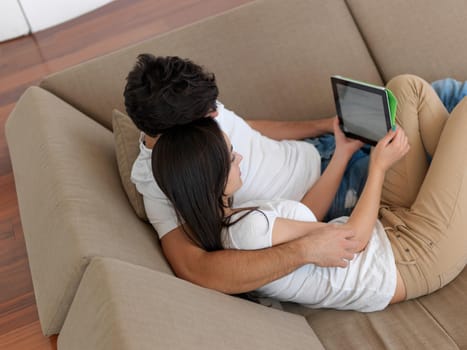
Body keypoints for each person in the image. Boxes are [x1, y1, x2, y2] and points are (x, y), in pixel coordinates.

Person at [151, 74, 467, 310]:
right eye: (232, 157)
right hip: (412, 257)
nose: (241, 158)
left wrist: (342, 153)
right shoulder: (249, 228)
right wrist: (378, 168)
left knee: (406, 89)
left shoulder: (234, 220)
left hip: (389, 230)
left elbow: (309, 216)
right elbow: (352, 243)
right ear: (212, 179)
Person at [124, 54, 366, 293]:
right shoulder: (158, 184)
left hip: (323, 147)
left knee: (397, 98)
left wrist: (327, 126)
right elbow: (196, 269)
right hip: (334, 187)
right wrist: (303, 250)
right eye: (208, 114)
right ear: (180, 139)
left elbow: (249, 129)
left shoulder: (193, 106)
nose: (216, 113)